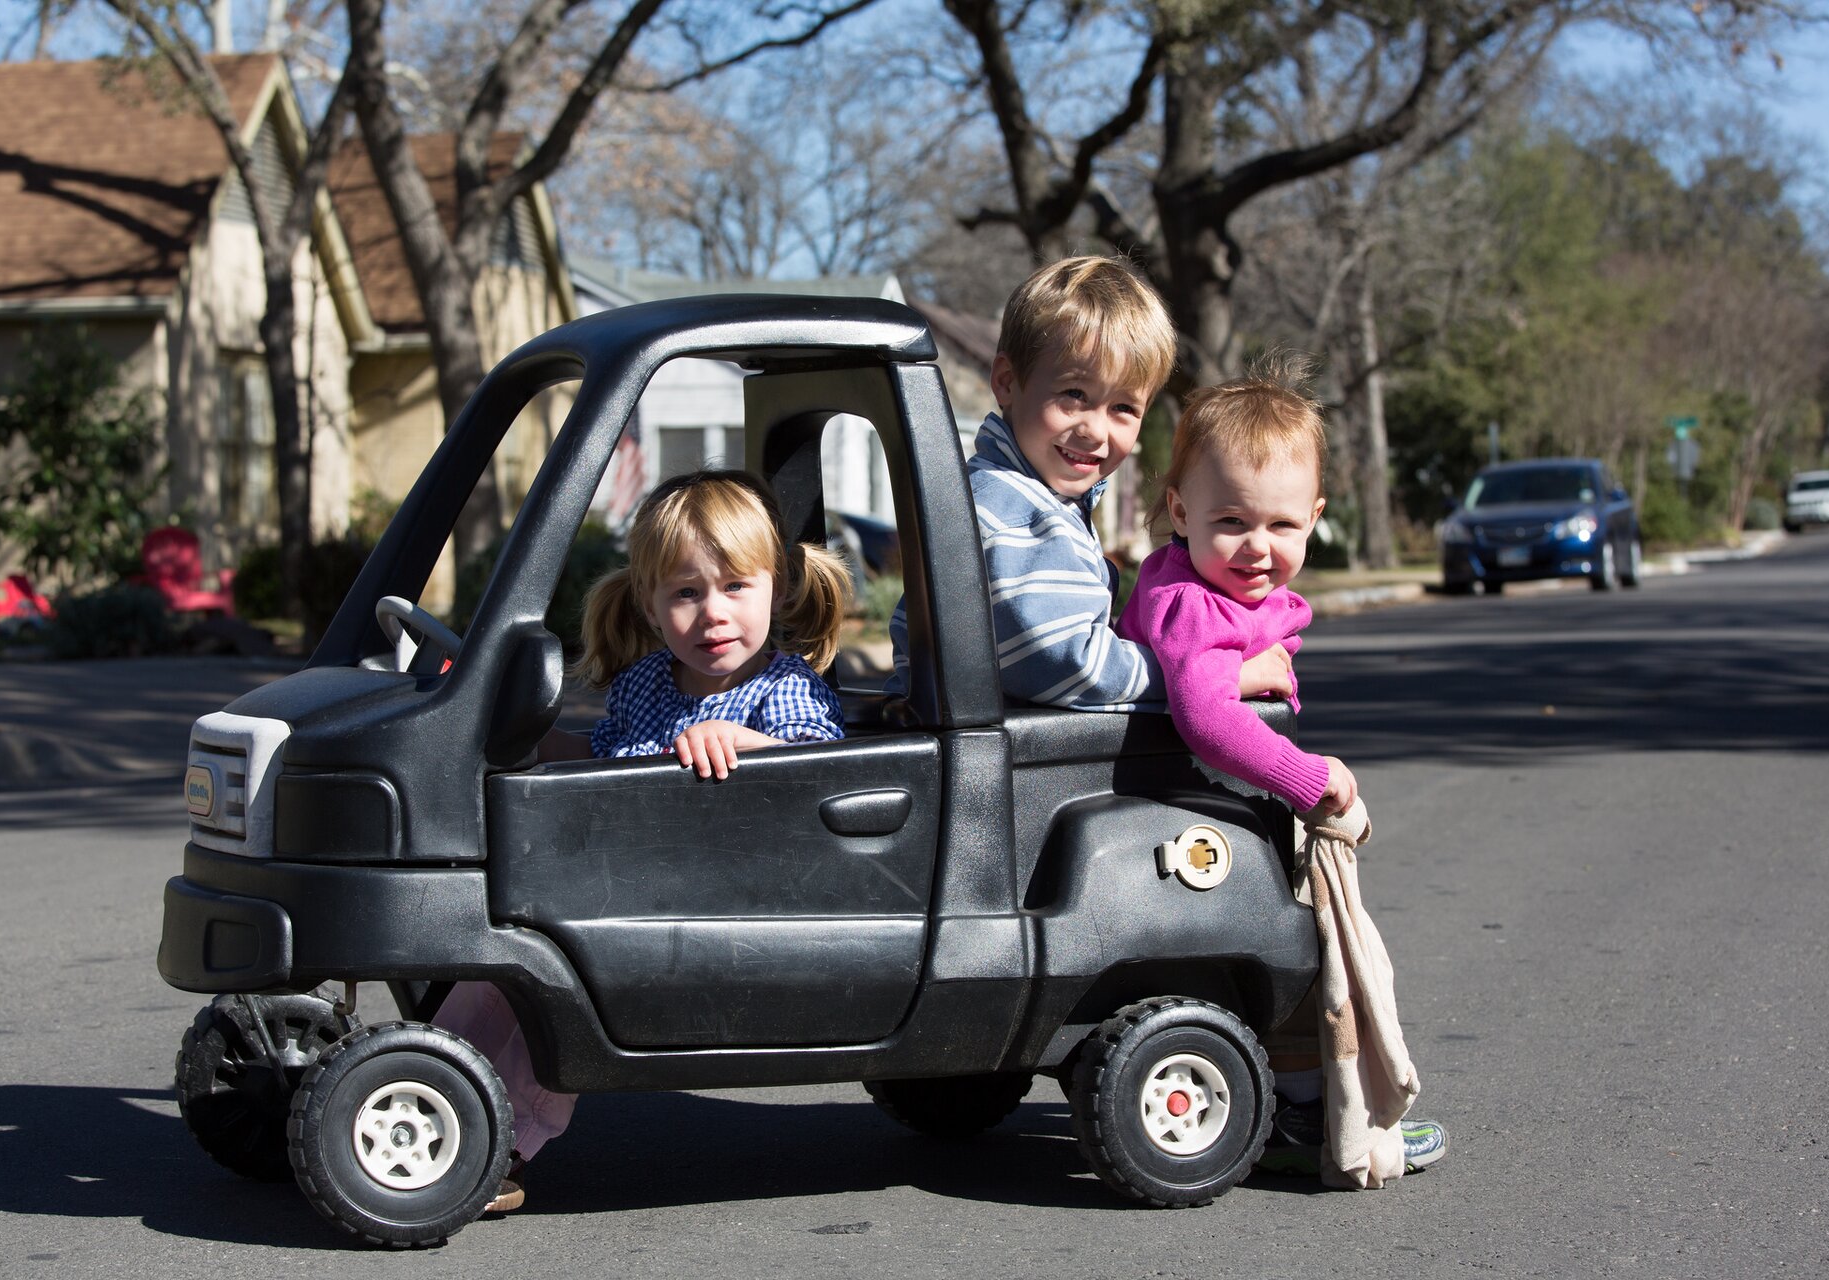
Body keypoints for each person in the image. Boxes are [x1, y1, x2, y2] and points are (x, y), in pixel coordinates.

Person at [438, 469, 853, 1211]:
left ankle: (500, 1148)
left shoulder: (783, 688)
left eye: (735, 587)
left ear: (778, 589)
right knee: (491, 971)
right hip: (622, 879)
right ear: (651, 606)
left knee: (553, 978)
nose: (713, 614)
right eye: (687, 594)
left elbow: (820, 773)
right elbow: (606, 760)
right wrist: (535, 744)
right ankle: (434, 1087)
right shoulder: (643, 686)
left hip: (723, 898)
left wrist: (745, 740)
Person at [1116, 353, 1447, 1177]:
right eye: (1231, 522)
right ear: (1179, 511)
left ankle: (1299, 1091)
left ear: (1315, 518)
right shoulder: (1196, 604)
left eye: (1281, 526)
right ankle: (1307, 1106)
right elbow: (1202, 716)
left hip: (1207, 805)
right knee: (1302, 947)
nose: (1257, 547)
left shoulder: (1204, 586)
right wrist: (1309, 778)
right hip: (1197, 811)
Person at [887, 254, 1179, 709]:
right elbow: (1069, 664)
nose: (1095, 431)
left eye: (1123, 407)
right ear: (1007, 382)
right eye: (1074, 394)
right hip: (999, 769)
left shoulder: (1030, 496)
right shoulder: (1012, 510)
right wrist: (1192, 679)